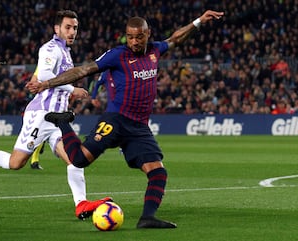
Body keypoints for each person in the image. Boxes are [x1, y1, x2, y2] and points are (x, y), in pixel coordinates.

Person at [26, 10, 224, 228]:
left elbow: (176, 38)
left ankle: (147, 218)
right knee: (79, 160)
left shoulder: (155, 51)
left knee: (158, 172)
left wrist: (198, 21)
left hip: (139, 127)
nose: (134, 41)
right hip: (116, 120)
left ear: (148, 35)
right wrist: (47, 84)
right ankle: (63, 121)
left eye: (139, 36)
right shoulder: (117, 55)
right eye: (130, 37)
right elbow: (83, 70)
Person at [0, 10, 111, 220]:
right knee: (16, 163)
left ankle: (81, 204)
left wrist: (64, 95)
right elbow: (44, 75)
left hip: (59, 118)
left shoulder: (65, 51)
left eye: (75, 28)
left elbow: (43, 77)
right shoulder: (51, 48)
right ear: (57, 28)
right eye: (68, 27)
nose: (72, 32)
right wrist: (73, 90)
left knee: (75, 159)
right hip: (42, 116)